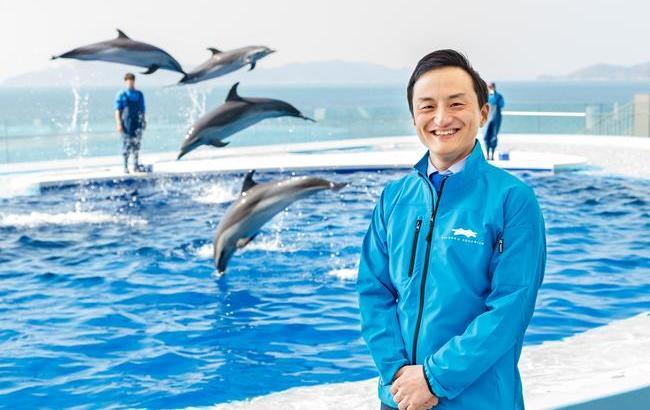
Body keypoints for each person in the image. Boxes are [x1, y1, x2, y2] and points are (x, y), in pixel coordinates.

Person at [356, 49, 546, 410]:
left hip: (479, 400)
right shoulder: (395, 198)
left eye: (456, 104)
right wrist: (398, 375)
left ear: (483, 113)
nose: (441, 118)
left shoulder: (513, 200)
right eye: (427, 106)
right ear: (414, 118)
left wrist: (434, 379)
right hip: (400, 398)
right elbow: (373, 291)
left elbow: (510, 308)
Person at [115, 72, 146, 173]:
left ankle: (136, 165)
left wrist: (144, 121)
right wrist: (118, 124)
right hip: (126, 123)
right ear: (125, 82)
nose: (130, 84)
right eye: (129, 82)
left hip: (137, 122)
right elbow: (117, 111)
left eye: (132, 82)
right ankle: (125, 166)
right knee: (126, 144)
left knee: (136, 144)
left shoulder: (139, 94)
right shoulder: (122, 94)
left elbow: (142, 109)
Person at [483, 82, 505, 160]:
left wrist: (494, 95)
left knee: (494, 136)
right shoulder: (485, 96)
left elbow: (502, 105)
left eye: (491, 86)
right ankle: (487, 155)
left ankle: (492, 155)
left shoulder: (499, 96)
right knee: (486, 136)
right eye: (489, 87)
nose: (490, 88)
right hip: (487, 118)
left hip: (496, 118)